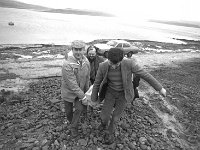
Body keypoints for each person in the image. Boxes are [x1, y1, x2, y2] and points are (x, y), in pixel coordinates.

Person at [91, 48, 166, 144]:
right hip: (110, 92)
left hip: (124, 94)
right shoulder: (103, 66)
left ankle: (110, 133)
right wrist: (93, 99)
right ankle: (103, 123)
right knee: (104, 115)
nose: (113, 67)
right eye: (111, 63)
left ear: (122, 59)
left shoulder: (130, 64)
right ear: (107, 58)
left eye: (116, 64)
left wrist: (160, 88)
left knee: (115, 117)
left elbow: (145, 75)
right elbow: (97, 83)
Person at [61, 40, 90, 137]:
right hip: (68, 92)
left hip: (81, 91)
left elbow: (87, 77)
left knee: (79, 109)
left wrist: (87, 92)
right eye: (76, 49)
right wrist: (83, 97)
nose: (78, 52)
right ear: (72, 50)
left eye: (80, 49)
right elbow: (72, 84)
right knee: (69, 112)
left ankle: (73, 127)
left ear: (84, 50)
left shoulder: (86, 61)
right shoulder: (67, 64)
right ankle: (71, 122)